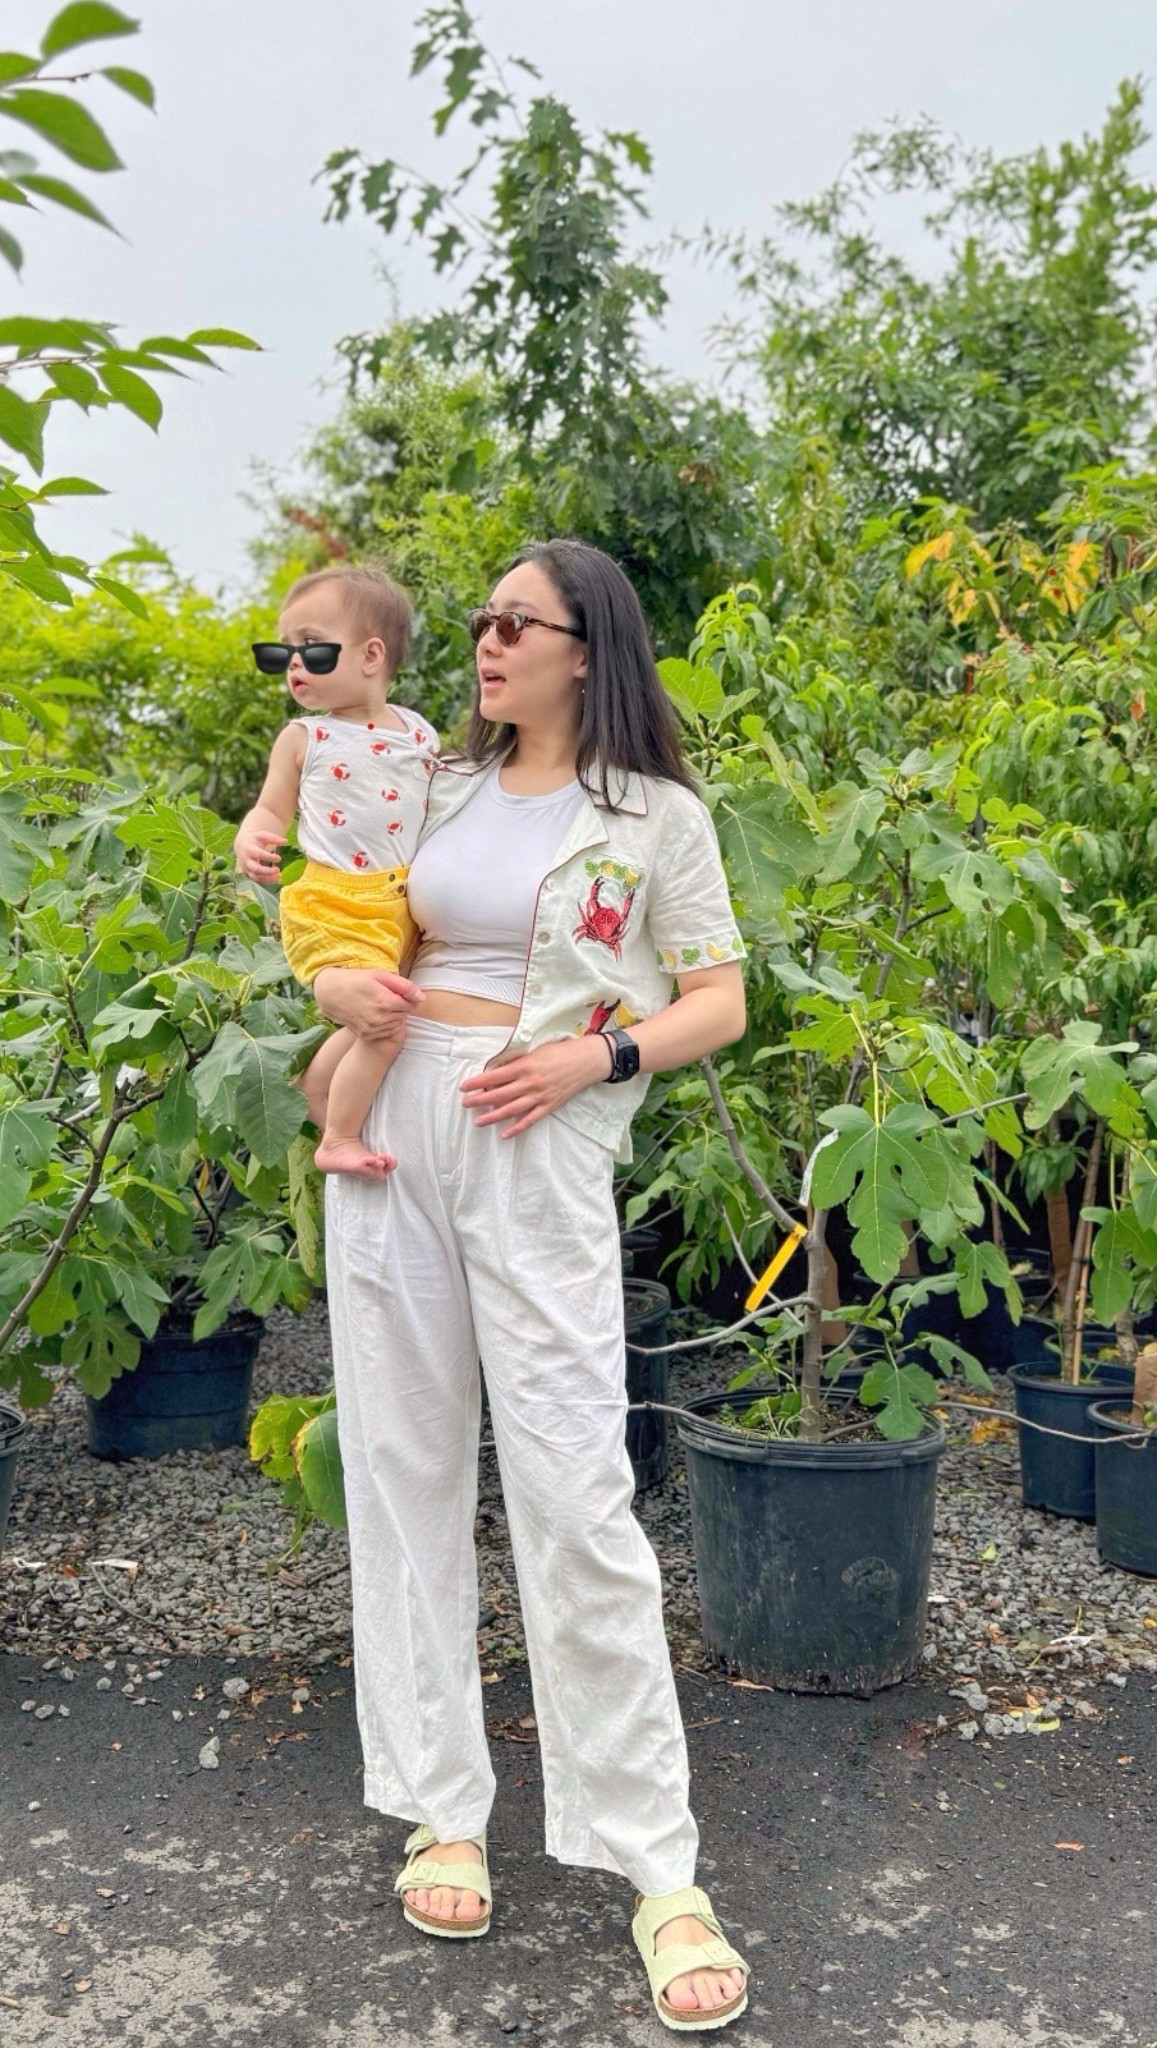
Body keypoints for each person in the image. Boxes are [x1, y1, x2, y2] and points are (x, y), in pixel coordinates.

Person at [313, 538, 753, 2032]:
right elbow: (338, 900)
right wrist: (330, 986)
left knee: (575, 1487)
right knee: (404, 1464)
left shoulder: (656, 815)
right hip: (396, 1116)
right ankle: (442, 1805)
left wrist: (594, 1055)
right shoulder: (429, 781)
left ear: (587, 647)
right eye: (482, 621)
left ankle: (657, 1865)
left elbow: (717, 997)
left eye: (518, 622)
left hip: (539, 1127)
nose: (488, 642)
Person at [235, 565, 438, 1177]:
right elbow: (271, 807)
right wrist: (252, 835)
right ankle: (340, 1138)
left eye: (312, 648)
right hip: (335, 901)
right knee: (387, 1025)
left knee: (379, 1014)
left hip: (400, 904)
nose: (294, 665)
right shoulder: (305, 737)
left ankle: (316, 1087)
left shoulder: (420, 733)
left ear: (372, 656)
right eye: (282, 653)